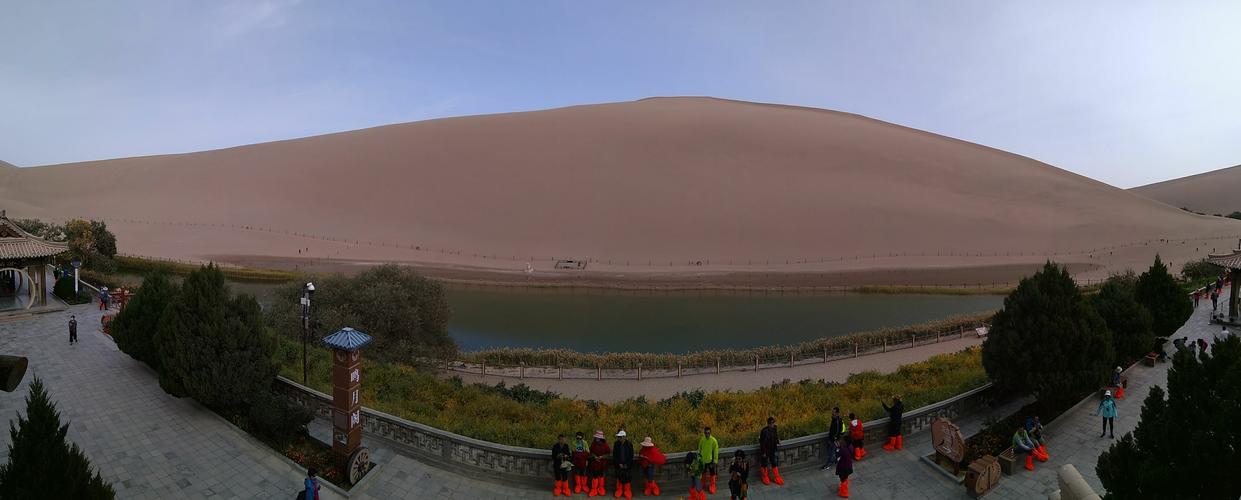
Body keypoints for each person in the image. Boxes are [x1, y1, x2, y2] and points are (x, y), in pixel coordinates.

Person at [758, 416, 783, 486]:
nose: (773, 424)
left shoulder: (775, 428)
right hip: (766, 450)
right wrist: (763, 452)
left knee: (774, 462)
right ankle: (765, 477)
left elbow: (776, 436)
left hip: (772, 449)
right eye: (771, 423)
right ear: (768, 424)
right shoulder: (764, 431)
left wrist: (778, 441)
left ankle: (776, 477)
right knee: (764, 463)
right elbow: (762, 443)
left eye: (773, 423)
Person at [612, 430, 635, 499]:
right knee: (619, 477)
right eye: (618, 437)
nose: (619, 438)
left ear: (624, 437)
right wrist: (619, 463)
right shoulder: (616, 444)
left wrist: (627, 464)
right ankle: (619, 490)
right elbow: (614, 455)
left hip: (627, 465)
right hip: (619, 464)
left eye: (620, 437)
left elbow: (631, 455)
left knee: (627, 478)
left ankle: (627, 491)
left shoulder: (629, 444)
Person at [588, 430, 611, 497]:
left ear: (601, 438)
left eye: (598, 438)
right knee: (594, 476)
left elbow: (608, 453)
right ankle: (594, 489)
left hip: (602, 463)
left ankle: (601, 488)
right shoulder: (593, 443)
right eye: (596, 437)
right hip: (595, 463)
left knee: (601, 476)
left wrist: (602, 457)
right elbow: (590, 452)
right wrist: (594, 456)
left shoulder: (605, 445)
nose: (597, 439)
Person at [698, 427, 720, 495]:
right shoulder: (702, 439)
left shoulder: (713, 440)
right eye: (705, 433)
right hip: (703, 460)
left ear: (710, 433)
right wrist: (699, 458)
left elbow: (716, 451)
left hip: (711, 461)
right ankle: (702, 484)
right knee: (703, 473)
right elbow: (699, 449)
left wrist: (715, 461)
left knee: (712, 473)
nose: (707, 434)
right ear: (704, 433)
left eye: (708, 433)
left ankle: (712, 486)